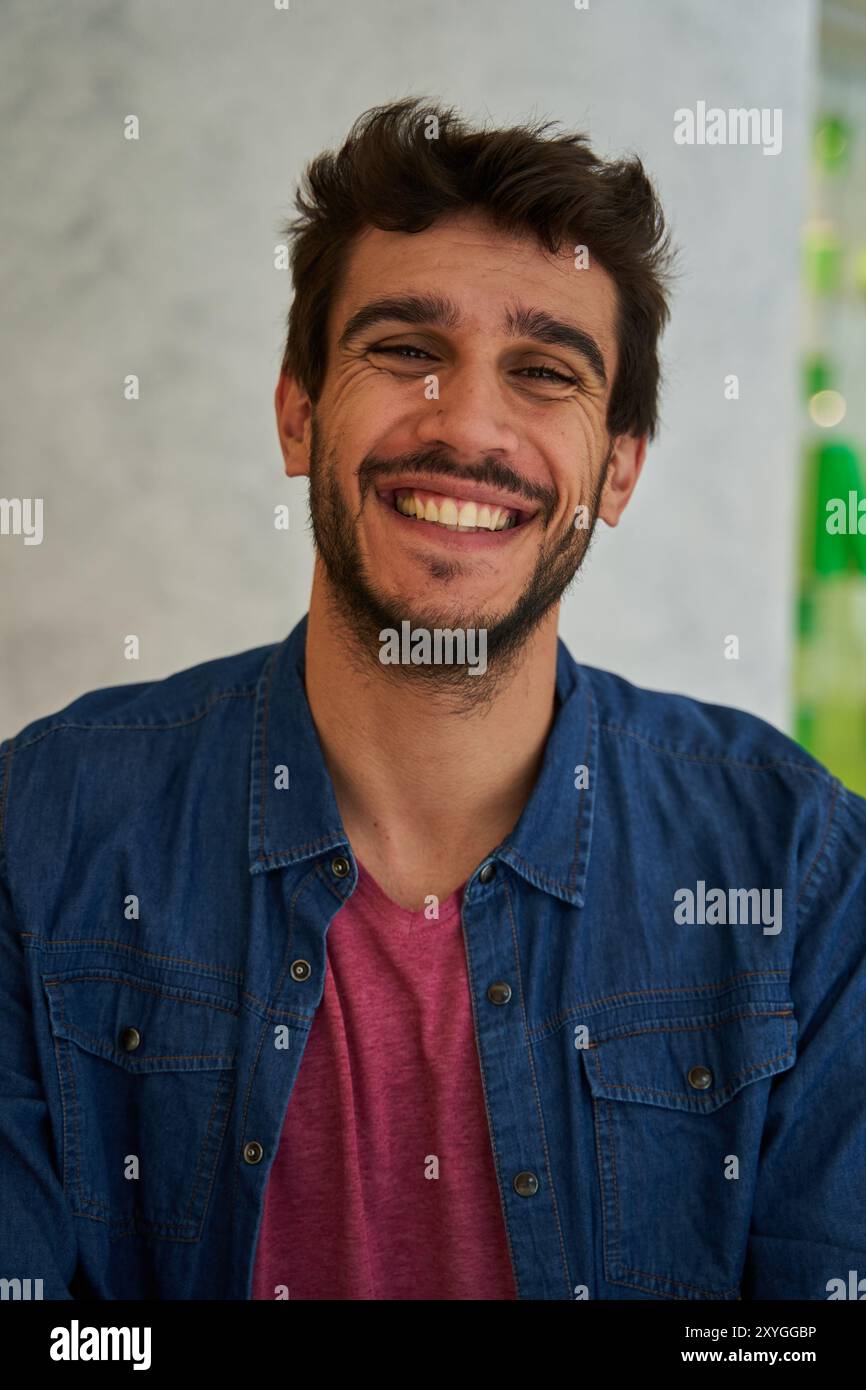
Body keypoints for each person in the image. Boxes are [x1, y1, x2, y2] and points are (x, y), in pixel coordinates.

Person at [2, 97, 865, 1302]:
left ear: (617, 467)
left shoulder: (802, 872)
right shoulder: (41, 826)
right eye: (404, 348)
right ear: (299, 410)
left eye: (543, 370)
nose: (463, 422)